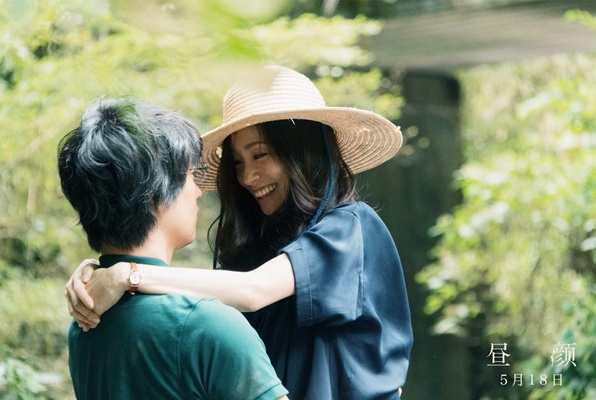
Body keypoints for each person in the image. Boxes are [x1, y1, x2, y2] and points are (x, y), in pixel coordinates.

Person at [65, 66, 413, 399]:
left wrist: (126, 274)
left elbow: (253, 291)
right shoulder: (257, 249)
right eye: (236, 162)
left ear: (303, 150)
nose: (247, 177)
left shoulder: (351, 228)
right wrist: (98, 269)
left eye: (260, 155)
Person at [58, 96, 289, 400]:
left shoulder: (84, 322)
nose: (198, 191)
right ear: (155, 193)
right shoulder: (207, 326)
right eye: (191, 175)